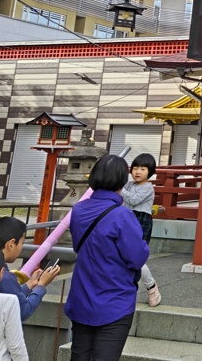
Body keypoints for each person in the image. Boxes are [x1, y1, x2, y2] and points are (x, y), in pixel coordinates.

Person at [64, 154, 149, 361]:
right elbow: (137, 258)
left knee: (79, 356)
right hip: (114, 299)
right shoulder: (122, 216)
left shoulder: (78, 210)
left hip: (82, 295)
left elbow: (78, 246)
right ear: (121, 182)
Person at [0, 216, 60, 320]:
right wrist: (41, 286)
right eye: (22, 243)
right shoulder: (4, 277)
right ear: (11, 244)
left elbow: (10, 294)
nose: (22, 247)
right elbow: (23, 311)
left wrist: (30, 284)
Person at [122, 152, 162, 306]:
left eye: (143, 169)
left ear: (150, 172)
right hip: (125, 219)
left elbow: (133, 200)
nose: (138, 172)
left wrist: (119, 188)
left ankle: (151, 286)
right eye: (135, 168)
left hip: (140, 221)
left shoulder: (148, 187)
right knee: (122, 256)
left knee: (136, 257)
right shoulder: (129, 184)